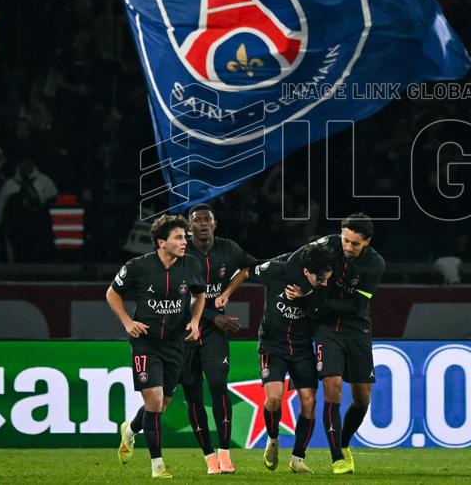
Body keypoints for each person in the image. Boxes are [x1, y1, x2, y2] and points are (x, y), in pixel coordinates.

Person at [216, 242, 335, 473]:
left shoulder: (322, 287)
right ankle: (273, 439)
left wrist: (306, 295)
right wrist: (226, 294)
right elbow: (247, 270)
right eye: (320, 279)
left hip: (302, 347)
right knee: (274, 399)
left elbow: (322, 312)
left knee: (309, 402)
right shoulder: (277, 271)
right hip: (273, 344)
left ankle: (298, 458)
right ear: (306, 271)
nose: (325, 283)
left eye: (327, 279)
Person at [108, 214, 204, 479]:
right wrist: (127, 321)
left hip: (175, 344)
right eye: (179, 237)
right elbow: (112, 293)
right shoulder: (137, 267)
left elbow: (200, 294)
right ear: (162, 242)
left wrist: (195, 321)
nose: (185, 241)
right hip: (145, 343)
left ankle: (129, 431)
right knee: (154, 400)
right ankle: (157, 465)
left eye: (185, 236)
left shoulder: (191, 265)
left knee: (160, 406)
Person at [303, 214, 386, 475]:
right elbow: (300, 261)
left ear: (367, 242)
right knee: (333, 386)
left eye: (355, 244)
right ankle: (337, 456)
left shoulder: (375, 264)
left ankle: (345, 443)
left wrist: (319, 302)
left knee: (362, 399)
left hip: (357, 328)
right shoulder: (327, 245)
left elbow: (356, 305)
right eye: (345, 240)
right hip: (327, 329)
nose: (348, 248)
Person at [178, 203, 257, 474]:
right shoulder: (180, 252)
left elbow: (249, 267)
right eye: (196, 220)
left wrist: (229, 291)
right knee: (192, 393)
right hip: (186, 330)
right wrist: (215, 316)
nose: (202, 224)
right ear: (189, 226)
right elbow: (181, 297)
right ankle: (209, 457)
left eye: (206, 220)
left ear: (215, 224)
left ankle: (225, 452)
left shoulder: (228, 249)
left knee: (217, 383)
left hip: (214, 333)